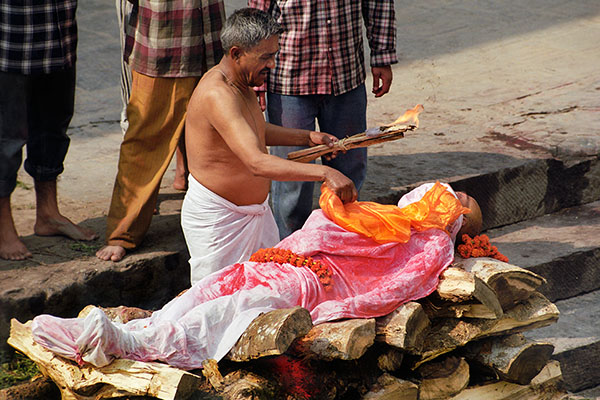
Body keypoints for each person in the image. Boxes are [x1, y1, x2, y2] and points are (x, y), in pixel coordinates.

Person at [31, 181, 480, 370]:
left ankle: (129, 344)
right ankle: (132, 331)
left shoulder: (431, 244)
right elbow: (314, 229)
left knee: (229, 311)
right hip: (276, 262)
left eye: (462, 203)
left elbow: (394, 288)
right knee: (202, 291)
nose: (454, 195)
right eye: (458, 192)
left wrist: (338, 308)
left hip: (311, 284)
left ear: (457, 222)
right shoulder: (384, 214)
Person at [181, 8, 357, 284]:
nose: (273, 65)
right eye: (266, 57)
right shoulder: (218, 94)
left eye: (274, 55)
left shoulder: (242, 83)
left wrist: (307, 137)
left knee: (263, 298)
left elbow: (255, 131)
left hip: (256, 215)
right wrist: (325, 173)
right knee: (216, 308)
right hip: (219, 222)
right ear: (236, 53)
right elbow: (257, 162)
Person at [248, 0, 398, 239]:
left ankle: (342, 244)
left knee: (349, 174)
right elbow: (258, 17)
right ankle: (289, 251)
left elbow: (378, 5)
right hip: (289, 79)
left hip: (346, 75)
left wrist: (382, 55)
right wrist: (256, 78)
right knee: (293, 182)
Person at [96, 0, 226, 262]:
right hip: (164, 43)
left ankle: (221, 222)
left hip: (210, 40)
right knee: (146, 140)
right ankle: (122, 233)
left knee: (217, 135)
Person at [0, 0, 97, 261]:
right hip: (11, 28)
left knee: (53, 122)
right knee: (6, 134)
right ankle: (3, 226)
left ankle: (48, 213)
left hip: (58, 25)